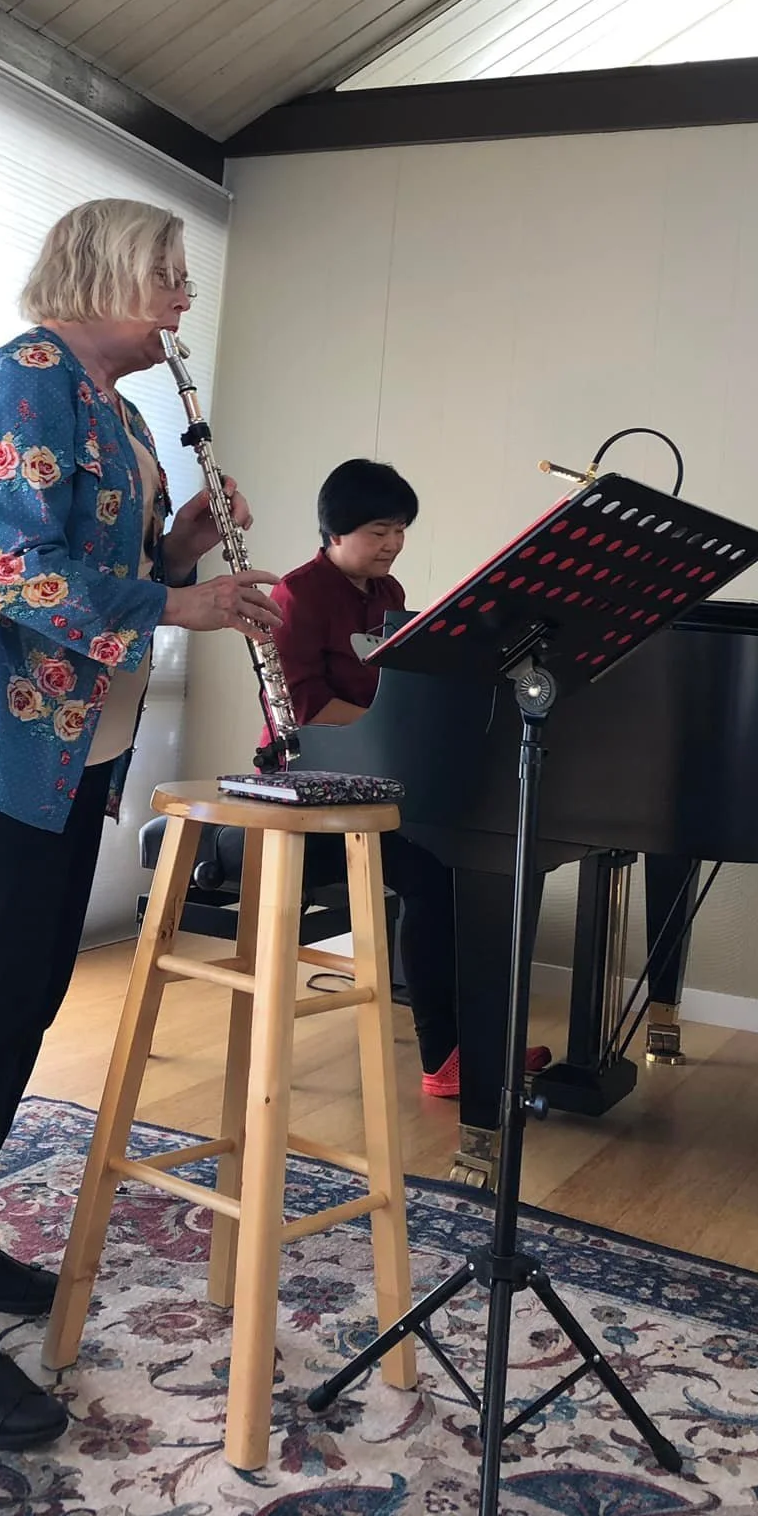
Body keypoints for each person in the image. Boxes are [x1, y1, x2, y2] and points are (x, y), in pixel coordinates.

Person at [0, 198, 279, 1452]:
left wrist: (181, 542)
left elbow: (109, 557)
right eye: (167, 272)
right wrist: (191, 598)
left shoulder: (117, 414)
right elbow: (19, 574)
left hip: (67, 751)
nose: (182, 297)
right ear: (103, 271)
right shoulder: (22, 381)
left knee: (23, 1003)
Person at [269, 460, 549, 1098]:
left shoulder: (388, 597)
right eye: (378, 531)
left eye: (400, 530)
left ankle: (479, 1044)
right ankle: (444, 1059)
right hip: (309, 783)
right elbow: (300, 708)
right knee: (433, 876)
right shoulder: (298, 594)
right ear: (335, 532)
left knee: (465, 866)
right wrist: (384, 729)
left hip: (376, 776)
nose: (393, 544)